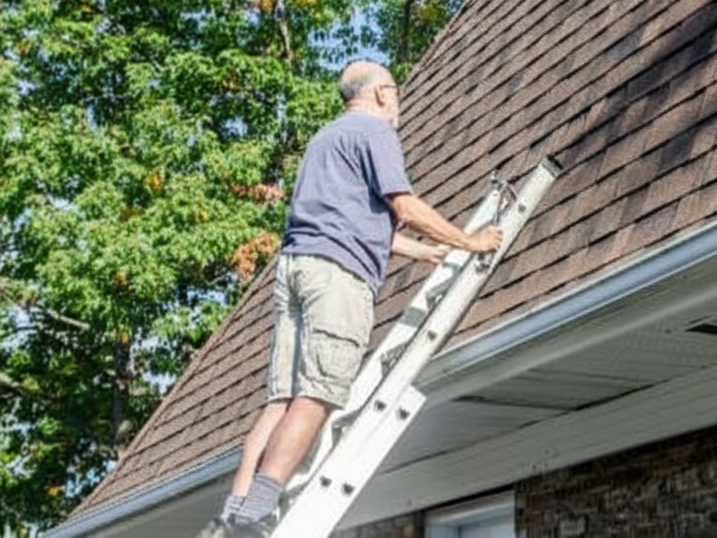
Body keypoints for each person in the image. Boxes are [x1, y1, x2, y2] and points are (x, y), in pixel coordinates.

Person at [200, 60, 502, 538]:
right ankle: (256, 516)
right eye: (395, 93)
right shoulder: (375, 131)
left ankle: (234, 510)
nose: (398, 104)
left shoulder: (325, 140)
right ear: (381, 93)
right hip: (336, 278)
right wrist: (471, 242)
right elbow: (405, 207)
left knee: (282, 398)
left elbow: (355, 223)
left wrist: (425, 252)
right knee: (317, 394)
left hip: (298, 267)